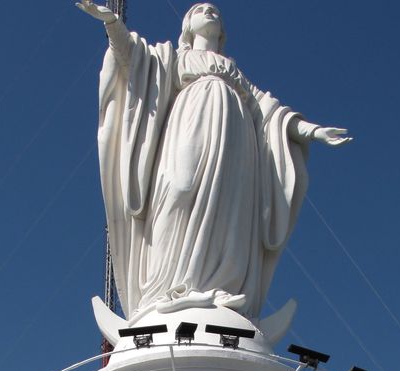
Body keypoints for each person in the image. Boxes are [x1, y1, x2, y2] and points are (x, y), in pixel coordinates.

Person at [76, 2, 352, 321]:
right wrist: (112, 23)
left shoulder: (233, 72)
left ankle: (219, 286)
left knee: (230, 206)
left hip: (236, 139)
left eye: (216, 12)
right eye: (201, 9)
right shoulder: (172, 57)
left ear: (222, 32)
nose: (210, 12)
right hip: (190, 121)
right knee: (179, 188)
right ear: (188, 25)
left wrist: (313, 131)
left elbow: (269, 113)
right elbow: (132, 57)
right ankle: (168, 286)